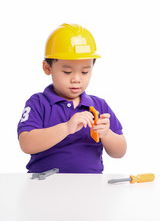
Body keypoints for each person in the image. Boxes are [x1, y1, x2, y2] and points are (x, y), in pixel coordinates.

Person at [17, 23, 127, 173]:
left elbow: (120, 152)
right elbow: (26, 143)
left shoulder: (99, 105)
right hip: (44, 185)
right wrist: (66, 128)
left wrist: (107, 134)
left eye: (84, 72)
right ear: (47, 68)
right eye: (67, 72)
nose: (76, 79)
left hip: (90, 187)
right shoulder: (38, 103)